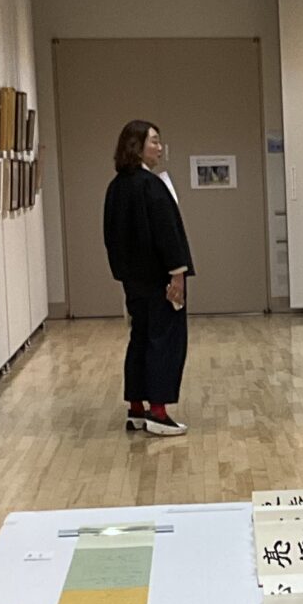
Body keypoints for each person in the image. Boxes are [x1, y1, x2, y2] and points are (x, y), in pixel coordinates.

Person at [103, 120, 193, 436]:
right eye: (153, 141)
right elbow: (167, 234)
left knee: (139, 339)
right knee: (164, 341)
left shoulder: (116, 187)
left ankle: (137, 408)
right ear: (136, 146)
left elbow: (111, 237)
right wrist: (177, 274)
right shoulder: (151, 186)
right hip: (159, 279)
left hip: (133, 281)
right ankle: (158, 411)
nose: (159, 147)